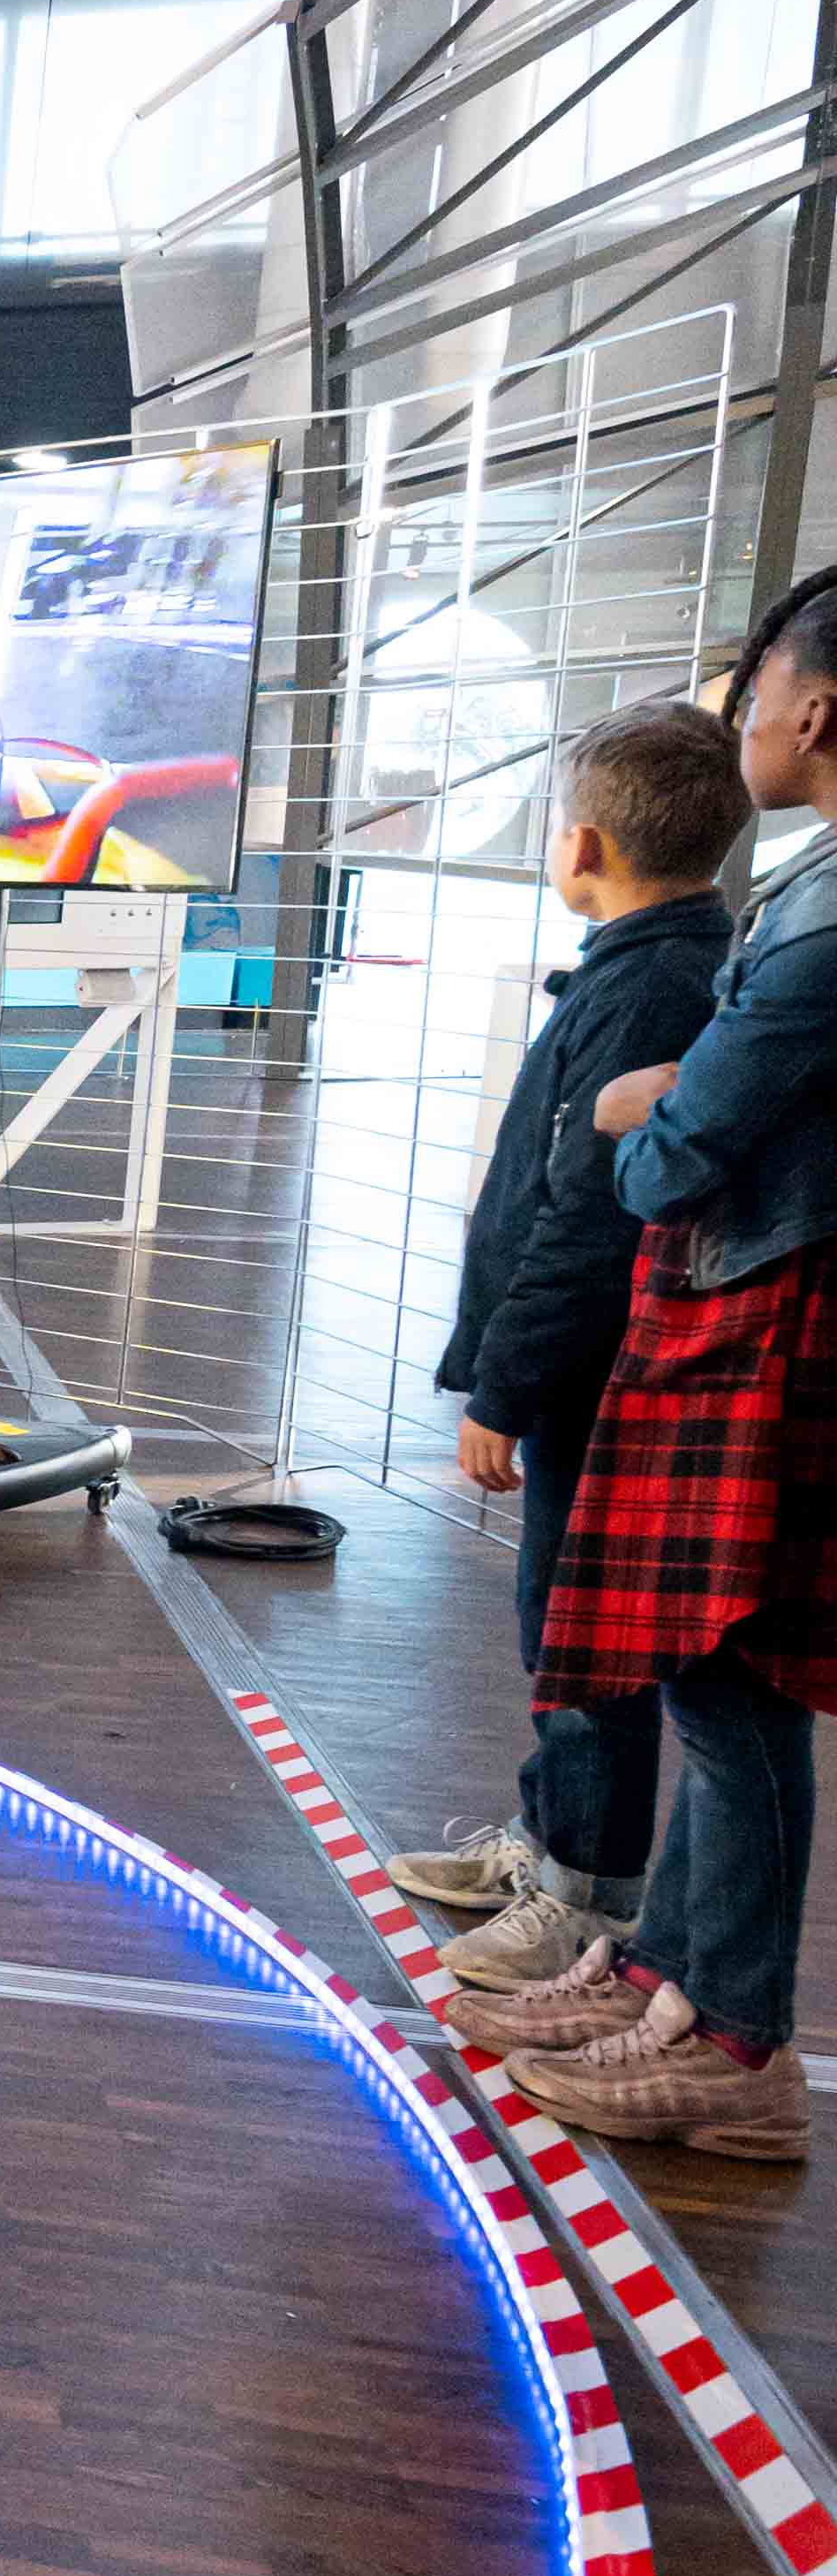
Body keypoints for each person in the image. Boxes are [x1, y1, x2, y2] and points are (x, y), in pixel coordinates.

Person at [459, 567, 837, 2167]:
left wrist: (641, 1113)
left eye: (755, 691)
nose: (744, 717)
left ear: (813, 710)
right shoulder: (798, 897)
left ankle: (732, 2037)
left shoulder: (816, 924)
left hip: (763, 1318)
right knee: (707, 1677)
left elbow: (673, 1148)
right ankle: (672, 1980)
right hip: (737, 1307)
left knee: (734, 1688)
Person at [381, 700, 747, 1986]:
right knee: (555, 1618)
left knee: (582, 1635)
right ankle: (549, 1844)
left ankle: (584, 1892)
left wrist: (505, 1382)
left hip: (595, 1376)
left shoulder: (649, 983)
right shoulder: (647, 964)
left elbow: (585, 1219)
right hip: (586, 1370)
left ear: (582, 844)